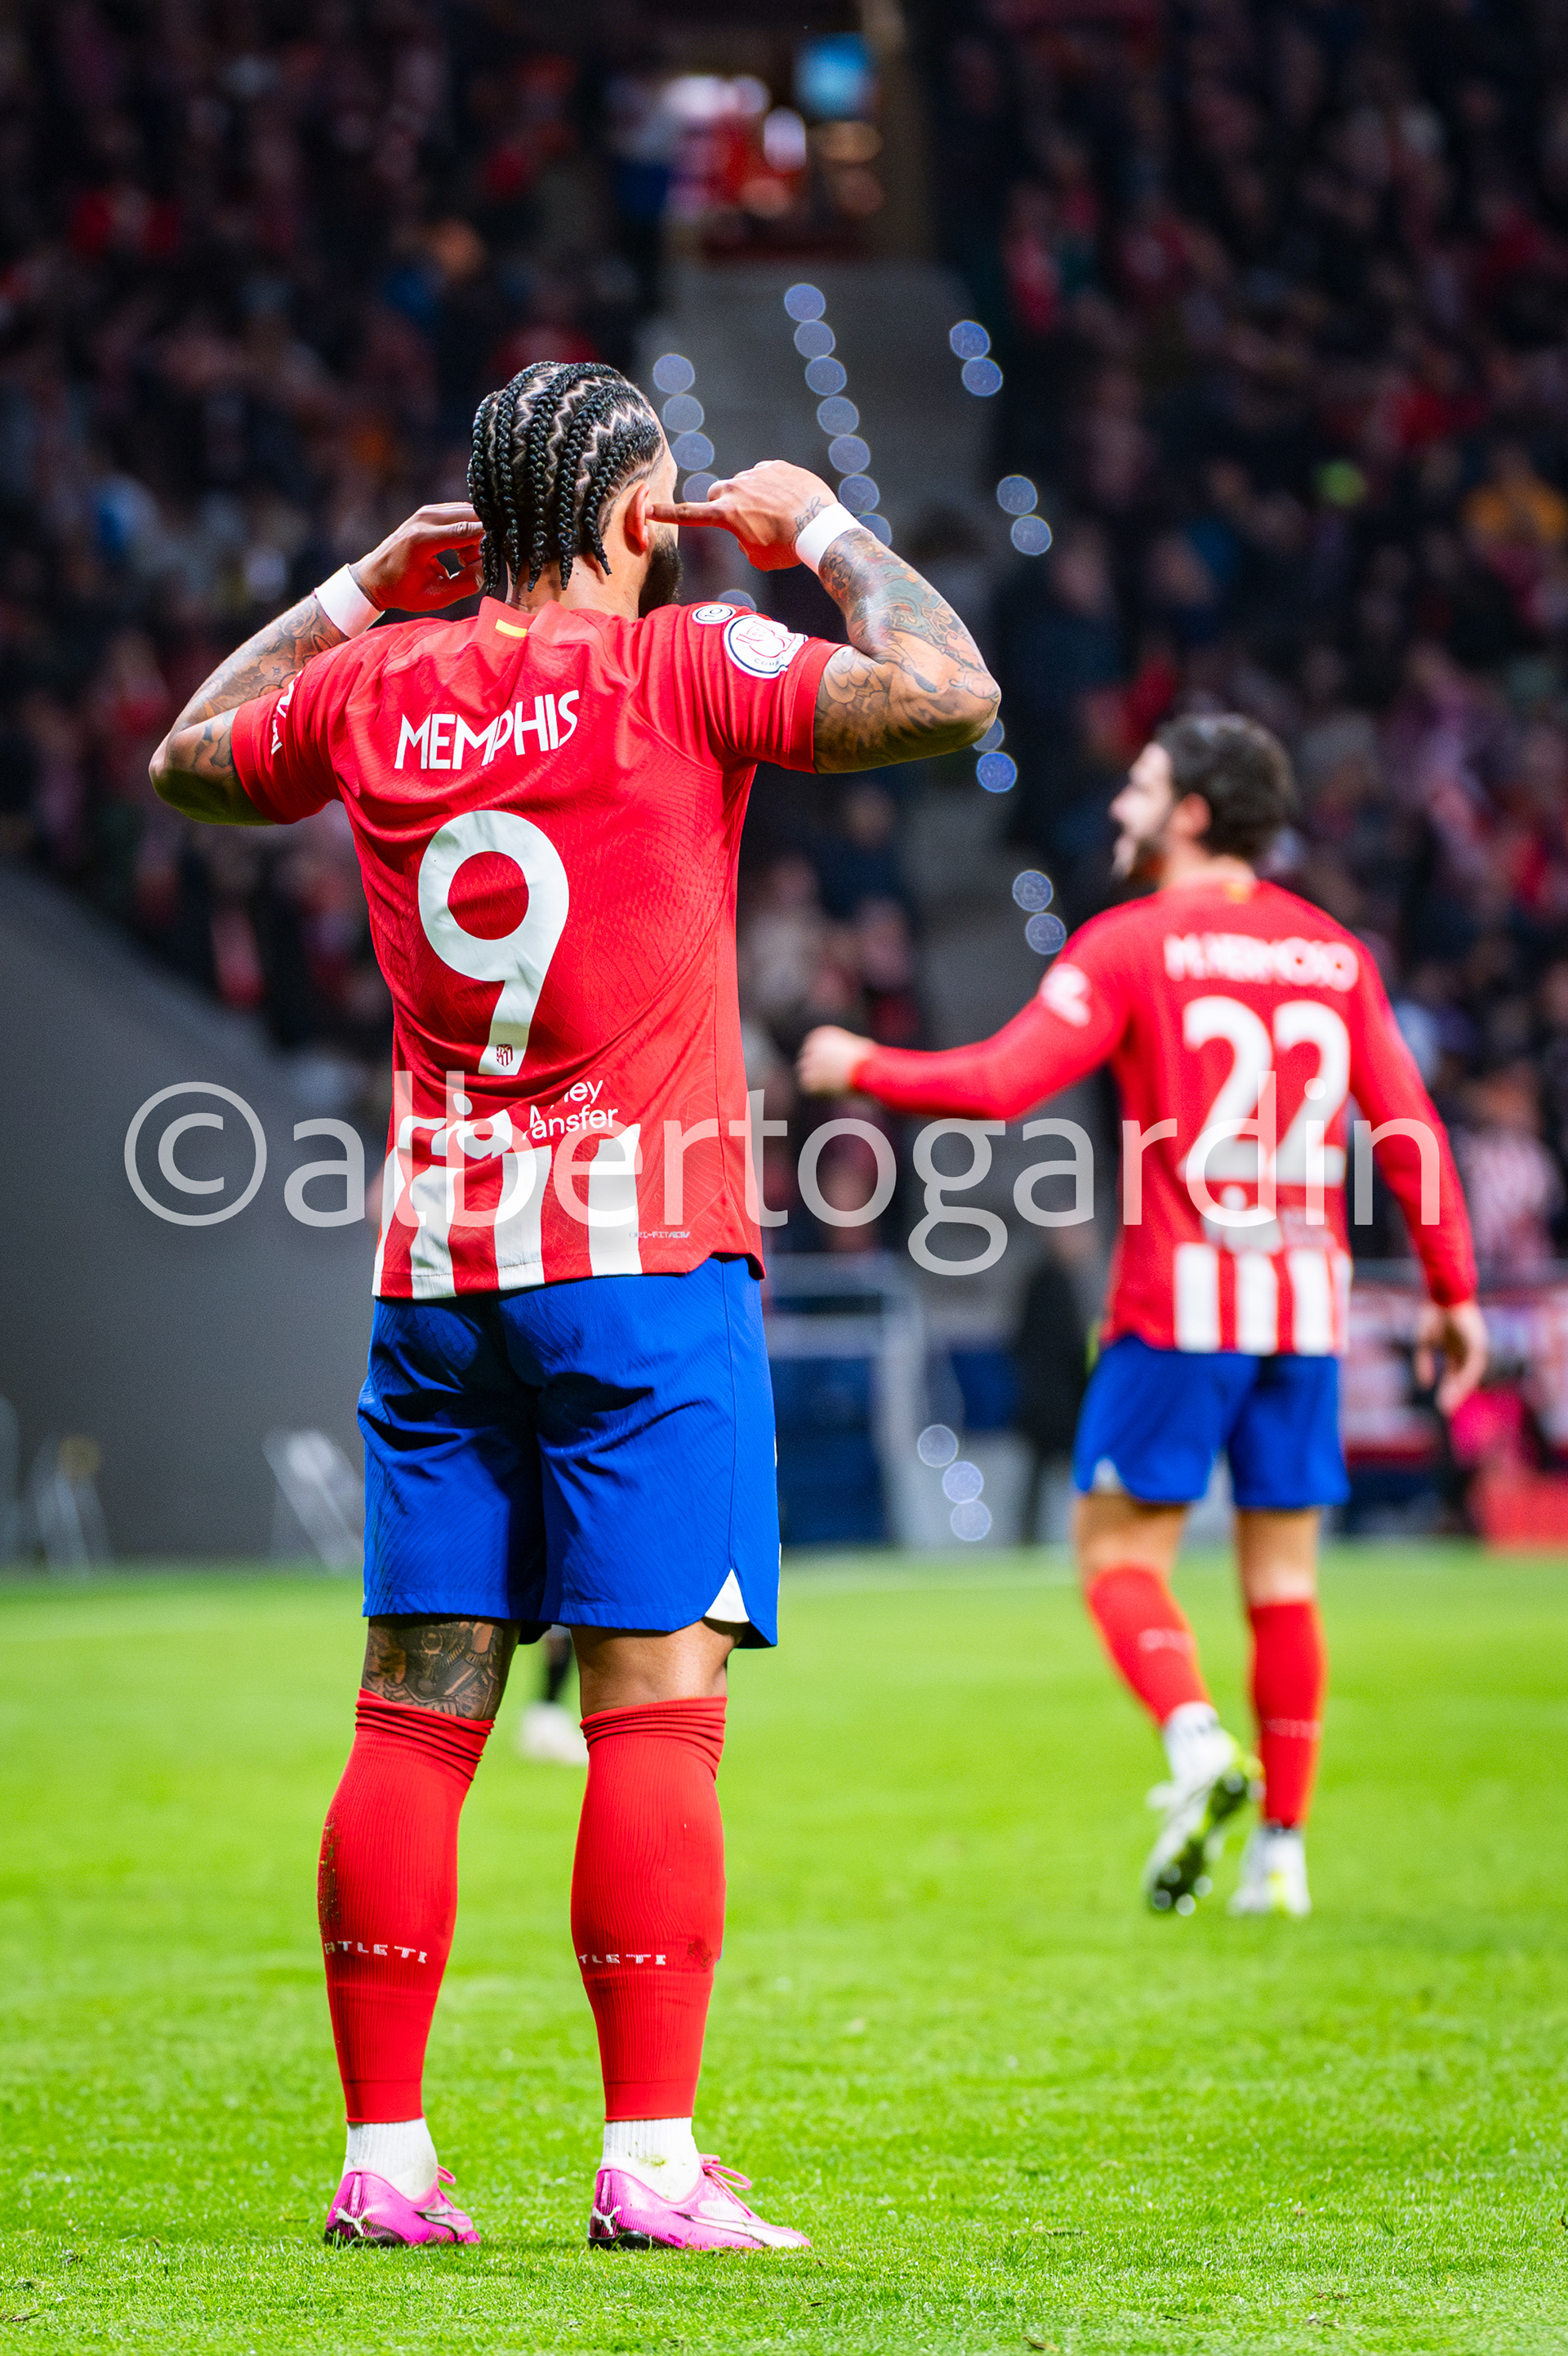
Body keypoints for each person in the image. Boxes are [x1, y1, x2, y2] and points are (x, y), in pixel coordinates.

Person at [149, 359, 998, 2251]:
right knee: (653, 1719)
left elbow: (186, 758)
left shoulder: (374, 684)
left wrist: (356, 591)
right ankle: (650, 2166)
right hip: (643, 1275)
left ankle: (385, 2164)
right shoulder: (685, 665)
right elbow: (953, 693)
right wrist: (822, 527)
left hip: (438, 1281)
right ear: (634, 518)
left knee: (414, 1716)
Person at [800, 715, 1486, 1918]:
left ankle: (1196, 1741)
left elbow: (1003, 1083)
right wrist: (1454, 1290)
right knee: (1284, 1583)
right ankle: (1281, 1860)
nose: (1120, 805)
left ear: (1194, 815)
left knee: (1117, 1557)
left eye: (1144, 787)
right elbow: (1411, 1134)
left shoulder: (1131, 945)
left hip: (1179, 1306)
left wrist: (860, 1062)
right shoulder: (1334, 954)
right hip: (1304, 1311)